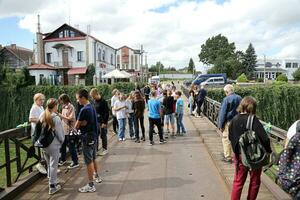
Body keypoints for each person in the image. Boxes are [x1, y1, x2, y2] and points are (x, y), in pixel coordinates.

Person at [229, 96, 271, 200]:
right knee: (255, 181)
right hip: (254, 157)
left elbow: (231, 137)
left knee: (238, 182)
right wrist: (268, 151)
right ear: (253, 107)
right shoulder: (253, 120)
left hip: (239, 157)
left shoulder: (234, 119)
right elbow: (265, 139)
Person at [75, 89, 102, 193]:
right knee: (93, 158)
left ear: (82, 98)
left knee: (88, 161)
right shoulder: (92, 106)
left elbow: (76, 126)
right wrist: (83, 123)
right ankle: (96, 176)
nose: (77, 101)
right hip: (94, 136)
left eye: (78, 99)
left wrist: (81, 124)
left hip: (87, 137)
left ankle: (91, 185)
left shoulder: (84, 110)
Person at [40, 98, 65, 195]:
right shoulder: (56, 117)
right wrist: (62, 141)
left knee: (49, 164)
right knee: (53, 165)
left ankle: (51, 181)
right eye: (57, 105)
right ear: (55, 106)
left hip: (44, 144)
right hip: (53, 145)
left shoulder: (43, 115)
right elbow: (59, 133)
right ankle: (52, 187)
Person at [218, 84, 242, 164]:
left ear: (226, 91)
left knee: (226, 139)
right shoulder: (240, 98)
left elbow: (223, 113)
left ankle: (228, 157)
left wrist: (220, 125)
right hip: (238, 121)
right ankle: (237, 156)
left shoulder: (226, 99)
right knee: (237, 138)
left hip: (229, 122)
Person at [57, 94, 79, 169]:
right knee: (62, 146)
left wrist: (60, 115)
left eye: (61, 100)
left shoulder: (71, 107)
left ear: (64, 99)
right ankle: (63, 159)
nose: (60, 102)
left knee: (71, 146)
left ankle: (75, 162)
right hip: (64, 130)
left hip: (70, 130)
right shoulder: (63, 107)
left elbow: (70, 118)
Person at [29, 93, 47, 174]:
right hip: (36, 132)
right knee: (41, 149)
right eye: (40, 99)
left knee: (44, 149)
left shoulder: (41, 107)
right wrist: (41, 121)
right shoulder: (34, 107)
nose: (42, 101)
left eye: (43, 99)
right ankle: (40, 165)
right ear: (36, 100)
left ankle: (46, 166)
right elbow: (31, 119)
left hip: (42, 131)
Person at [90, 88, 109, 156]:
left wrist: (104, 122)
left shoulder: (103, 101)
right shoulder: (93, 101)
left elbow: (106, 112)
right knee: (95, 136)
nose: (92, 98)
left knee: (103, 135)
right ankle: (96, 150)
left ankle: (105, 149)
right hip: (95, 121)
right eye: (92, 97)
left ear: (96, 94)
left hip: (102, 122)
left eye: (93, 96)